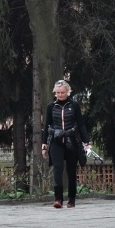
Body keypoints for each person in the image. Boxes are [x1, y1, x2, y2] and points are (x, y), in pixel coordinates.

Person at [41, 79, 90, 208]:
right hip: (56, 141)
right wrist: (44, 144)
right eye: (57, 93)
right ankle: (58, 199)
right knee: (57, 169)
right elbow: (46, 125)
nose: (60, 95)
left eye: (62, 92)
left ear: (68, 92)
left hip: (71, 141)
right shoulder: (51, 106)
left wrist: (87, 142)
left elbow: (81, 124)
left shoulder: (74, 105)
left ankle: (72, 199)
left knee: (71, 171)